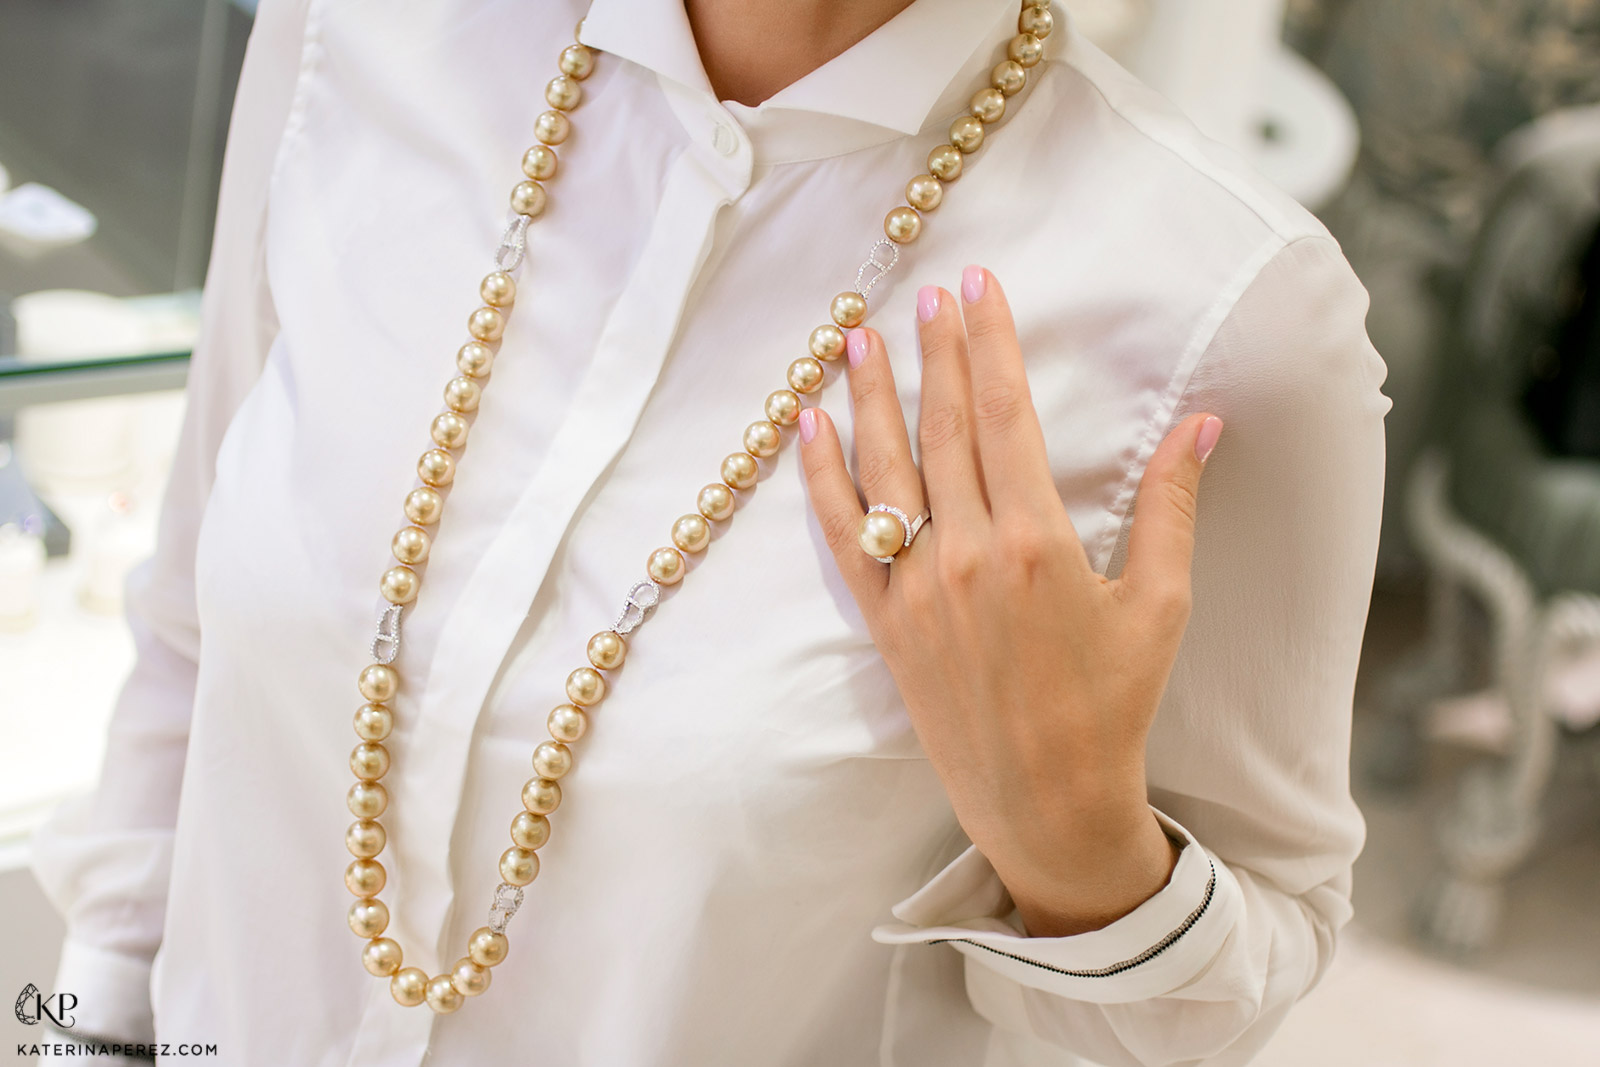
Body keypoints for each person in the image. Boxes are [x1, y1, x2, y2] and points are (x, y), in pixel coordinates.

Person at [28, 0, 1391, 1064]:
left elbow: (1229, 996)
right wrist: (86, 1039)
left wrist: (1079, 854)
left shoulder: (1223, 316)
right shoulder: (365, 40)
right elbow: (192, 634)